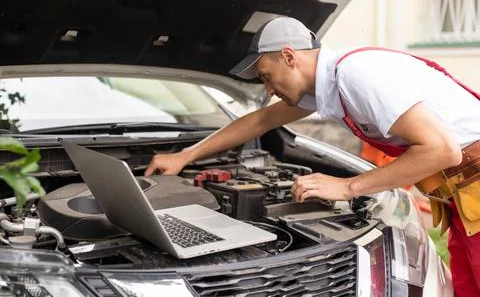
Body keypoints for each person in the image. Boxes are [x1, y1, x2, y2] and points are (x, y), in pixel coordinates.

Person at [145, 17, 480, 296]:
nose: (268, 89)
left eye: (266, 76)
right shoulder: (329, 83)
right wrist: (186, 155)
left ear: (290, 57)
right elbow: (261, 120)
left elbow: (442, 150)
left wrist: (348, 187)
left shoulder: (356, 75)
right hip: (463, 202)